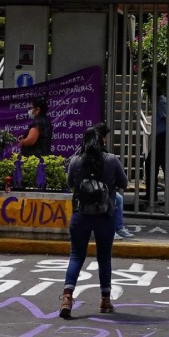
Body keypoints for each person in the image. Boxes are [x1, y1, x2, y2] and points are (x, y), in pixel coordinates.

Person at [59, 125, 128, 319]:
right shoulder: (111, 160)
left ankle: (66, 298)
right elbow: (123, 183)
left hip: (80, 215)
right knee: (104, 258)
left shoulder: (76, 161)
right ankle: (105, 300)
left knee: (76, 256)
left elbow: (70, 184)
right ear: (102, 141)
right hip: (104, 215)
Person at [146, 89, 169, 207]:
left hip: (164, 138)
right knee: (152, 164)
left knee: (164, 167)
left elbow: (168, 120)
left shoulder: (160, 103)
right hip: (168, 137)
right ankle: (151, 194)